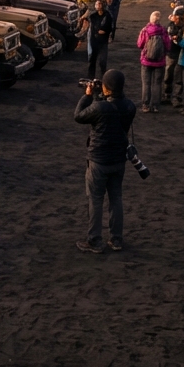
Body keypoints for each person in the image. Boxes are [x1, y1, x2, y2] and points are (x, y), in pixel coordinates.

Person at [73, 68, 136, 253]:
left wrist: (88, 96)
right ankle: (116, 239)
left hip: (98, 161)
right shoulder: (130, 106)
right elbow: (113, 112)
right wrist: (103, 95)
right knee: (116, 198)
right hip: (118, 160)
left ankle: (95, 241)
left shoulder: (100, 107)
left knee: (96, 200)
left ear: (107, 89)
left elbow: (79, 116)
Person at [136, 10, 171, 113]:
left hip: (146, 61)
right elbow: (168, 46)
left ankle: (145, 105)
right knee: (157, 84)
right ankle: (155, 106)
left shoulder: (145, 30)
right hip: (160, 62)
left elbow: (139, 44)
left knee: (146, 83)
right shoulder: (163, 31)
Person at [162, 5, 184, 106]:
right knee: (168, 75)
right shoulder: (172, 25)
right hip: (171, 53)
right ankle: (167, 96)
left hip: (181, 53)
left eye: (175, 15)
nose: (173, 17)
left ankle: (177, 97)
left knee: (178, 77)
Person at [86, 0, 114, 79]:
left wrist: (105, 31)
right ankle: (90, 78)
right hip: (94, 40)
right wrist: (100, 30)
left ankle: (103, 78)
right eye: (97, 4)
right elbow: (94, 28)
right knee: (92, 60)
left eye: (100, 4)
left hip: (103, 41)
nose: (98, 5)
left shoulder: (108, 15)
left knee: (102, 61)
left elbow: (110, 27)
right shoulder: (93, 16)